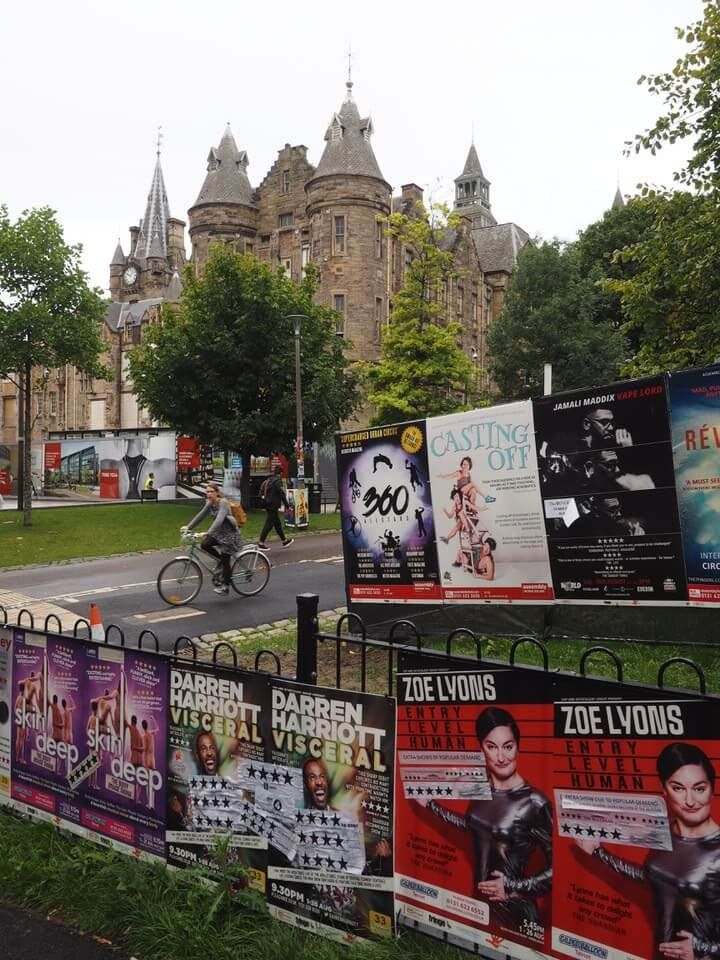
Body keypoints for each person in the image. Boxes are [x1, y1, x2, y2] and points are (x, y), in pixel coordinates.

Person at [576, 743, 720, 960]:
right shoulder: (664, 832)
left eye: (699, 788)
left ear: (712, 788)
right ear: (664, 789)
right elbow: (654, 877)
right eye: (678, 788)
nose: (690, 801)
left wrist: (705, 949)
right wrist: (598, 852)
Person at [420, 706, 552, 935]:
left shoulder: (535, 801)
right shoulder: (482, 787)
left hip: (515, 910)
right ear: (482, 748)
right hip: (480, 907)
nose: (501, 757)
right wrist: (432, 806)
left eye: (508, 747)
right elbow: (476, 826)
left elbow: (558, 870)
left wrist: (512, 886)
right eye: (492, 747)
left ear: (518, 747)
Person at [182, 481, 243, 594]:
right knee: (205, 544)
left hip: (229, 535)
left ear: (217, 493)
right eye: (207, 492)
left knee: (225, 559)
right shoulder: (210, 503)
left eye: (211, 491)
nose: (209, 494)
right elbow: (201, 515)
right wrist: (188, 527)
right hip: (219, 533)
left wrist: (208, 532)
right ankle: (219, 561)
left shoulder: (223, 502)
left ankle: (226, 586)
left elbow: (219, 520)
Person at [257, 466, 293, 550]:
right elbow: (281, 494)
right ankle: (261, 543)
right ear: (280, 473)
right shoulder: (277, 481)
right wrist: (287, 506)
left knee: (277, 524)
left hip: (267, 504)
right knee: (269, 524)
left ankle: (284, 541)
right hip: (273, 505)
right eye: (281, 474)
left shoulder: (269, 480)